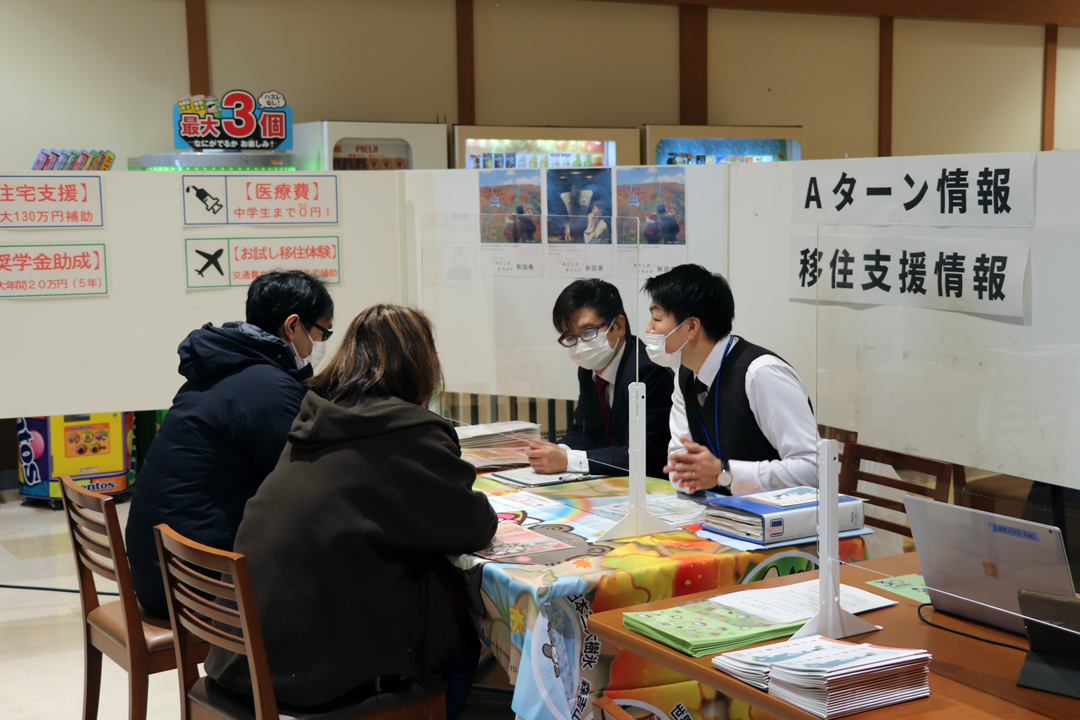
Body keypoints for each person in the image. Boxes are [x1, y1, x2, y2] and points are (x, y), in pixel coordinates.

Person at [205, 304, 497, 720]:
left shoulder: (317, 417)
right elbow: (474, 526)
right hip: (311, 676)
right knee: (462, 641)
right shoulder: (409, 430)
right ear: (422, 365)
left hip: (245, 660)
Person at [125, 270, 334, 619]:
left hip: (161, 571)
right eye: (323, 332)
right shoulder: (266, 387)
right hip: (197, 586)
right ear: (293, 326)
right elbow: (306, 484)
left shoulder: (225, 367)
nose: (322, 343)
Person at [642, 264, 817, 495]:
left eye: (656, 318)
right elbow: (680, 463)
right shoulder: (685, 375)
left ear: (691, 327)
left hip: (778, 520)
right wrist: (688, 475)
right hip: (720, 516)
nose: (649, 328)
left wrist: (726, 472)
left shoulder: (760, 373)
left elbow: (814, 469)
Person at [527, 279, 674, 479]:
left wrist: (567, 460)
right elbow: (585, 431)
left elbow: (642, 457)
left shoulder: (648, 373)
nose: (580, 345)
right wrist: (555, 449)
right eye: (570, 337)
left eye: (588, 332)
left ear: (619, 326)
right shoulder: (589, 370)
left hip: (650, 490)